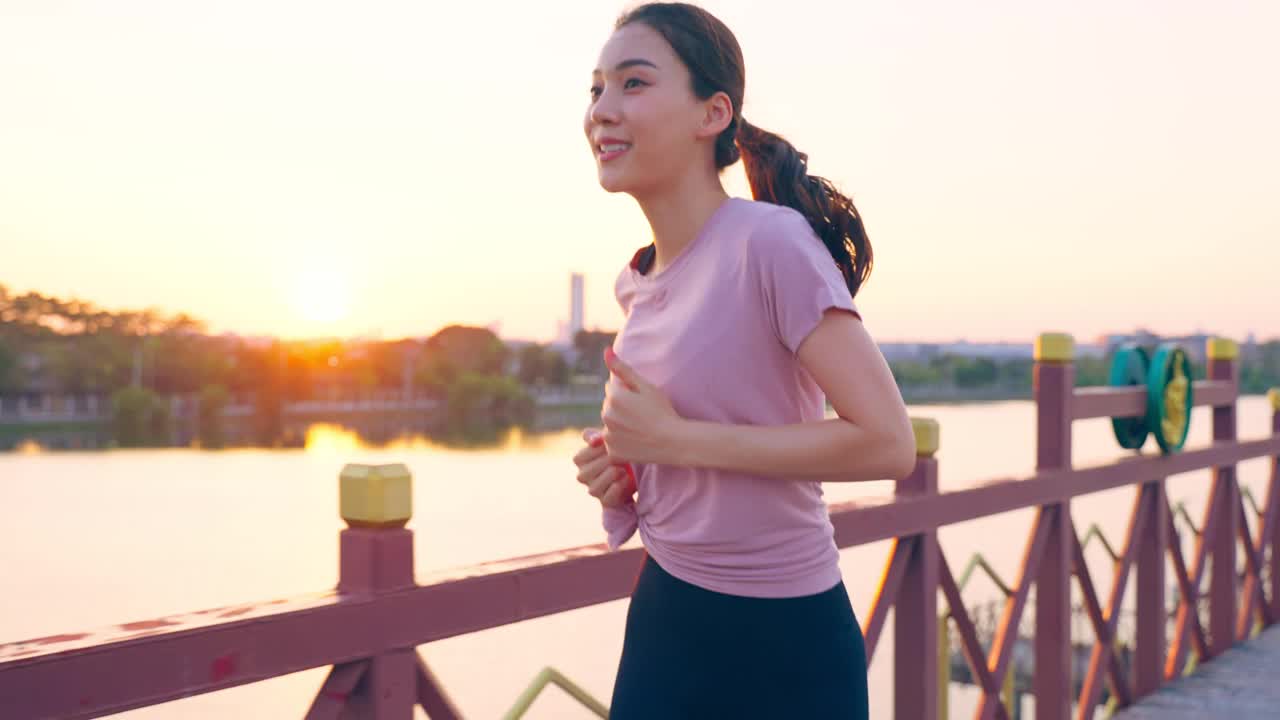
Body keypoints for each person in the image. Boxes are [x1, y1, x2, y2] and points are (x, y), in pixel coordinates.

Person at [571, 3, 916, 718]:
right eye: (596, 88)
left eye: (633, 84)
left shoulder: (770, 244)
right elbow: (700, 442)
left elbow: (889, 442)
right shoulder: (637, 281)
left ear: (713, 113)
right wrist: (629, 473)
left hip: (783, 640)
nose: (603, 109)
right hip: (667, 619)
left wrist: (676, 440)